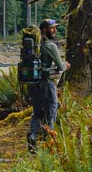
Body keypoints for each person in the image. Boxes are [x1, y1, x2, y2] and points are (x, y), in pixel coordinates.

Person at [21, 18, 66, 148]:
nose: (55, 30)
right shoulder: (50, 46)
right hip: (47, 85)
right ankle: (49, 143)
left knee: (37, 113)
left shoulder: (34, 47)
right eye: (52, 28)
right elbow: (60, 67)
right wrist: (66, 65)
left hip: (33, 84)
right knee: (51, 112)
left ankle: (32, 136)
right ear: (45, 30)